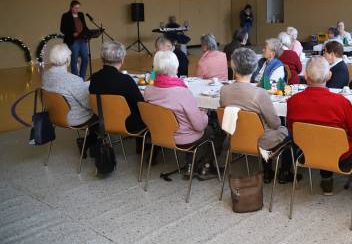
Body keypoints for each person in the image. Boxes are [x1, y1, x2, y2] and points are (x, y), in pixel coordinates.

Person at [286, 56, 352, 197]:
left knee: (319, 135)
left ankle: (326, 181)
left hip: (309, 151)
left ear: (305, 75)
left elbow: (292, 130)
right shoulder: (341, 102)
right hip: (341, 155)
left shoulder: (293, 101)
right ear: (329, 75)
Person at [144, 50, 216, 179]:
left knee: (188, 123)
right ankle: (197, 165)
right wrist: (204, 114)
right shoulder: (181, 92)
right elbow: (199, 126)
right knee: (211, 128)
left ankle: (190, 164)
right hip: (182, 138)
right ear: (176, 67)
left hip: (158, 134)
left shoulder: (149, 89)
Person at [220, 47, 283, 182]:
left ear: (233, 68)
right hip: (259, 140)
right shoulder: (259, 93)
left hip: (235, 137)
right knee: (284, 129)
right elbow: (275, 124)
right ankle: (281, 172)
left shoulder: (224, 90)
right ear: (255, 68)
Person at [42, 43, 96, 155]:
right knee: (100, 109)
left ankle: (90, 140)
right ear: (67, 59)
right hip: (75, 118)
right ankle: (92, 142)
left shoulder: (46, 75)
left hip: (54, 115)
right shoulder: (72, 80)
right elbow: (89, 104)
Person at [89, 40, 145, 137]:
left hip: (103, 120)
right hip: (128, 124)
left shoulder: (94, 78)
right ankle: (143, 146)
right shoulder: (125, 80)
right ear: (122, 59)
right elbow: (140, 104)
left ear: (102, 59)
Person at [59, 0, 89, 78]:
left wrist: (88, 33)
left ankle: (82, 78)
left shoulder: (81, 15)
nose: (77, 10)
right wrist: (72, 33)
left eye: (78, 8)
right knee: (74, 60)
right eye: (76, 8)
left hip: (82, 40)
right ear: (71, 7)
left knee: (85, 58)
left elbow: (84, 27)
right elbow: (62, 29)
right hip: (73, 41)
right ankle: (75, 79)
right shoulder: (66, 15)